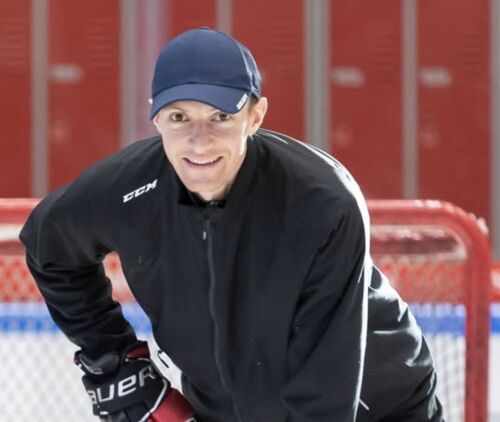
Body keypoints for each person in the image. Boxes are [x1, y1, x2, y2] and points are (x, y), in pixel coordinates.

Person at [20, 27, 443, 422]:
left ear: (255, 116)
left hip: (377, 406)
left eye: (220, 117)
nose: (199, 140)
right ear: (155, 117)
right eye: (179, 117)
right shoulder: (129, 188)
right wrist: (112, 359)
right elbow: (48, 245)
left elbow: (325, 395)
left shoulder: (321, 203)